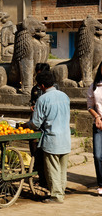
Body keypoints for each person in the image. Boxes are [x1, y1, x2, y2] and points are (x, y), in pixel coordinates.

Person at [22, 70, 71, 203]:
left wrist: (25, 125)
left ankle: (56, 196)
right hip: (65, 138)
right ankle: (61, 192)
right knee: (62, 169)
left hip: (52, 139)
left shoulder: (42, 99)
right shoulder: (64, 96)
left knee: (53, 169)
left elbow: (36, 123)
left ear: (42, 86)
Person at [28, 62, 51, 189]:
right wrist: (32, 106)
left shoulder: (53, 88)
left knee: (45, 152)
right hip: (36, 121)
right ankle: (39, 176)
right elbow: (32, 102)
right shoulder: (35, 89)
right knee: (35, 149)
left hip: (46, 124)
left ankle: (46, 178)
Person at [87, 61, 102, 195]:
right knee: (97, 155)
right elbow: (90, 106)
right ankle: (101, 184)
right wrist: (97, 117)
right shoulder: (94, 86)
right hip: (98, 124)